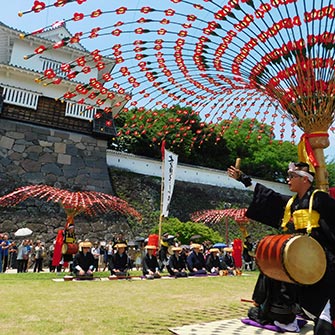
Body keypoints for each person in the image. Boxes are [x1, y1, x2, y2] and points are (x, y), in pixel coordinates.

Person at [228, 161, 335, 334]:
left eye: (292, 176)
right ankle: (284, 315)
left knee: (323, 313)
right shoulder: (292, 203)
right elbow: (268, 197)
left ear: (305, 179)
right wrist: (243, 178)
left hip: (324, 260)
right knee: (275, 272)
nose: (288, 180)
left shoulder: (319, 198)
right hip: (301, 257)